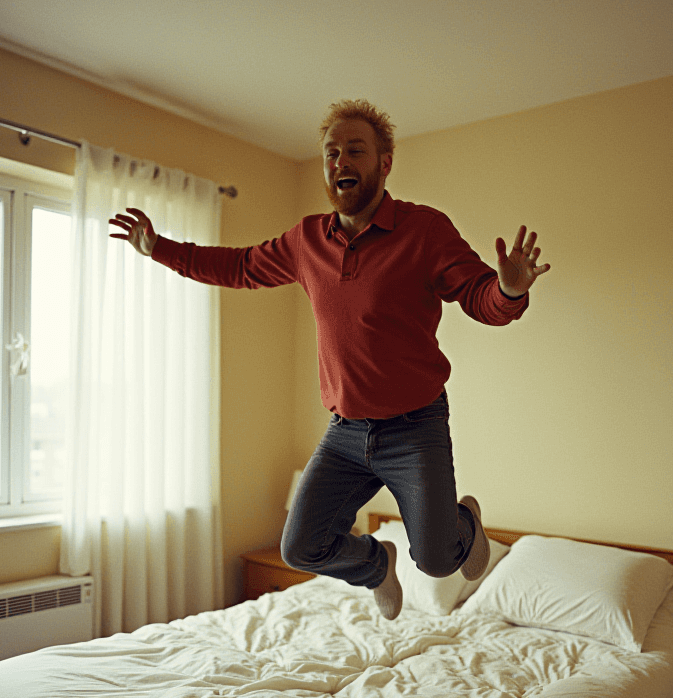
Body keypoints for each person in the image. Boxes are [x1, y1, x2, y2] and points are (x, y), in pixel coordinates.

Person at [110, 99, 549, 620]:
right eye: (331, 153)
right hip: (346, 432)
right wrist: (160, 248)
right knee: (300, 546)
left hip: (415, 428)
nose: (341, 162)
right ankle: (374, 565)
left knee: (435, 560)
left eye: (355, 151)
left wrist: (508, 289)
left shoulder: (424, 230)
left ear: (384, 163)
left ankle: (463, 527)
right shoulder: (306, 240)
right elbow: (241, 266)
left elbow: (481, 298)